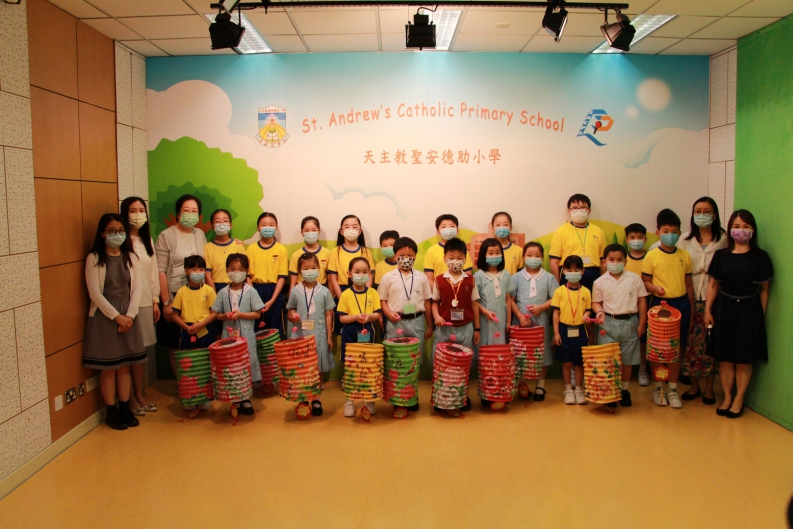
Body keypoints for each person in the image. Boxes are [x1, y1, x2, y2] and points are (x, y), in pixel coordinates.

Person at [705, 210, 772, 419]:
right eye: (736, 226)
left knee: (744, 357)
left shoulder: (760, 257)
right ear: (730, 229)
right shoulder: (721, 255)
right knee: (725, 356)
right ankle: (727, 397)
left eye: (745, 227)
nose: (740, 230)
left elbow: (764, 289)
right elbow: (713, 285)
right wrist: (707, 310)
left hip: (749, 309)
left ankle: (739, 399)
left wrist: (760, 314)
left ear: (752, 230)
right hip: (724, 307)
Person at [82, 213, 146, 430]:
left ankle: (125, 406)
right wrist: (116, 317)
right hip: (105, 317)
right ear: (102, 233)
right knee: (109, 368)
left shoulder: (131, 257)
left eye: (120, 231)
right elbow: (94, 293)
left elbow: (136, 289)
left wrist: (129, 316)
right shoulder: (94, 258)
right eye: (111, 231)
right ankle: (111, 411)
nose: (117, 235)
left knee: (125, 366)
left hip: (129, 316)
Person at [676, 197, 727, 404]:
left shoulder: (724, 239)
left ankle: (709, 388)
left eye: (707, 211)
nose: (702, 215)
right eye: (698, 211)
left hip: (715, 297)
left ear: (714, 215)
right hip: (690, 295)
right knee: (691, 343)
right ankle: (694, 385)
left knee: (710, 343)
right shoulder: (685, 239)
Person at [642, 209, 694, 409]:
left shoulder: (685, 256)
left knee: (675, 349)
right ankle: (658, 388)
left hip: (682, 305)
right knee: (658, 350)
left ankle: (672, 389)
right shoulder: (651, 256)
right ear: (658, 233)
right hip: (659, 306)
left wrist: (690, 310)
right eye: (666, 231)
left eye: (674, 231)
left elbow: (689, 285)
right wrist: (655, 288)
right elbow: (645, 282)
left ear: (679, 233)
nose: (670, 235)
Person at [378, 236, 433, 412]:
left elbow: (427, 302)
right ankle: (398, 397)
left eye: (410, 255)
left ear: (415, 256)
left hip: (417, 321)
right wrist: (389, 314)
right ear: (395, 256)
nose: (406, 259)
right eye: (402, 255)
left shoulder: (422, 277)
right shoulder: (387, 278)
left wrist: (430, 325)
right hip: (395, 322)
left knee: (414, 361)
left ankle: (412, 396)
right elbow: (382, 301)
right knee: (397, 361)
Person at [155, 194, 207, 374]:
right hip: (175, 295)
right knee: (176, 342)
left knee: (198, 338)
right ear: (178, 213)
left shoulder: (199, 234)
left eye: (194, 211)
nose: (190, 214)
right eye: (186, 210)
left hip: (198, 294)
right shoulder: (166, 235)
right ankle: (183, 382)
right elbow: (160, 270)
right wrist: (166, 302)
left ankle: (198, 382)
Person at [592, 244, 648, 408]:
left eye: (619, 260)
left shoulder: (634, 279)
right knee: (607, 361)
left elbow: (642, 301)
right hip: (608, 323)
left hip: (630, 323)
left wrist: (642, 323)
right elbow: (596, 302)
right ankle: (610, 392)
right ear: (604, 261)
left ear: (625, 261)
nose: (615, 262)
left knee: (627, 361)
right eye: (611, 259)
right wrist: (599, 311)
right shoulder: (599, 282)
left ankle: (624, 390)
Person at [210, 253, 265, 415]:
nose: (236, 272)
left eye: (240, 269)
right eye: (232, 269)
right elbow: (217, 315)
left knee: (245, 364)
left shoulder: (251, 291)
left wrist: (240, 315)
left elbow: (257, 314)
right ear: (226, 270)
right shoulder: (223, 292)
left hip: (246, 335)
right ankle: (235, 398)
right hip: (228, 336)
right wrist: (225, 316)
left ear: (246, 271)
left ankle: (246, 398)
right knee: (231, 365)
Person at [431, 237, 481, 412]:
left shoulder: (470, 280)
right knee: (443, 364)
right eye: (451, 258)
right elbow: (434, 303)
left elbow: (475, 305)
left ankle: (462, 396)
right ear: (444, 258)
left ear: (465, 259)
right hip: (444, 328)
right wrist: (436, 316)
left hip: (466, 328)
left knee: (463, 365)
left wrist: (477, 328)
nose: (455, 261)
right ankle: (441, 398)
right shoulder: (438, 280)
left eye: (460, 258)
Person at [120, 197, 160, 417]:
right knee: (129, 352)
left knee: (142, 352)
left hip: (145, 301)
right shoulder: (121, 240)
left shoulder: (147, 240)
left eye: (141, 210)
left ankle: (139, 393)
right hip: (126, 305)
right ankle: (129, 398)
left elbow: (152, 272)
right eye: (132, 210)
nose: (138, 214)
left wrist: (155, 300)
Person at [286, 253, 336, 416]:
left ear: (319, 269)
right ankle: (303, 398)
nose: (310, 271)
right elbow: (290, 309)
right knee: (301, 368)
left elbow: (328, 314)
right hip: (300, 337)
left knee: (317, 368)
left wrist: (329, 337)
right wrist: (293, 315)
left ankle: (316, 399)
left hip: (319, 336)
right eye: (306, 268)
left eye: (313, 268)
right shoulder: (295, 291)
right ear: (300, 271)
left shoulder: (324, 291)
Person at [509, 242, 558, 401]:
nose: (533, 258)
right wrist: (520, 316)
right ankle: (522, 384)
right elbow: (511, 300)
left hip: (541, 322)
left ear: (542, 258)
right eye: (529, 255)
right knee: (521, 353)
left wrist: (541, 308)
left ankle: (540, 386)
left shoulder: (549, 278)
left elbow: (556, 298)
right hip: (520, 323)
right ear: (524, 257)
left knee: (542, 353)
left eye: (537, 256)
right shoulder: (516, 277)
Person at [337, 257, 382, 418]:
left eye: (364, 272)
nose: (361, 275)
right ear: (350, 274)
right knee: (351, 368)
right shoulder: (346, 294)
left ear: (369, 274)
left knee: (368, 366)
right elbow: (342, 318)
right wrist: (355, 317)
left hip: (368, 331)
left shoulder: (373, 292)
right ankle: (349, 402)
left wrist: (369, 317)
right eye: (357, 272)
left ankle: (369, 401)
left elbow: (378, 314)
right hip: (350, 332)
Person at [474, 238, 515, 407]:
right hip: (485, 324)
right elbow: (474, 302)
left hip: (501, 322)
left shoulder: (506, 275)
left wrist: (509, 321)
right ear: (483, 255)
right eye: (490, 253)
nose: (494, 255)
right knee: (486, 359)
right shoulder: (478, 276)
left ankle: (500, 391)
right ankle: (486, 393)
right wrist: (485, 312)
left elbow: (508, 299)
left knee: (501, 358)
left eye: (497, 252)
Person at [552, 256, 592, 405]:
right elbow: (556, 313)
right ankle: (568, 390)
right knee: (567, 363)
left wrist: (587, 315)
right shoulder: (559, 291)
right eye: (569, 269)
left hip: (581, 330)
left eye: (577, 269)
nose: (573, 272)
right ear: (563, 271)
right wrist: (556, 333)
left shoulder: (586, 292)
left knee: (579, 363)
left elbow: (588, 309)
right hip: (564, 330)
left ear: (583, 271)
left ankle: (579, 390)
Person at [327, 215, 375, 334]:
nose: (351, 229)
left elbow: (370, 275)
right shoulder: (335, 251)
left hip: (362, 292)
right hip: (342, 292)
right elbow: (333, 279)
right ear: (341, 231)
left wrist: (365, 294)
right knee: (343, 330)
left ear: (360, 231)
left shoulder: (366, 251)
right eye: (347, 227)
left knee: (363, 328)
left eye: (354, 227)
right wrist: (342, 298)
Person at [549, 194, 606, 291]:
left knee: (592, 300)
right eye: (575, 208)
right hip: (569, 275)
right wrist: (556, 286)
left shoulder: (598, 231)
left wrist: (604, 282)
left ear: (589, 210)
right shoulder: (561, 231)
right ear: (569, 211)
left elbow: (603, 261)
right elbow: (554, 261)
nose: (579, 210)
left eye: (583, 207)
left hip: (593, 274)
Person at [246, 212, 288, 338]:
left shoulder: (281, 249)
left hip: (275, 291)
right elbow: (247, 276)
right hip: (254, 290)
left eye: (271, 224)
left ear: (276, 227)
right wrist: (254, 297)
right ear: (258, 228)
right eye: (264, 225)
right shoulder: (251, 249)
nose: (267, 227)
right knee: (256, 330)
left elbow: (282, 277)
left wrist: (272, 300)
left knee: (275, 329)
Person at [624, 223, 650, 386]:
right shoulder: (623, 259)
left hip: (646, 301)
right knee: (630, 337)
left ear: (645, 239)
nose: (636, 241)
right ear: (627, 240)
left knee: (643, 338)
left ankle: (642, 370)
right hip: (627, 304)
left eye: (640, 237)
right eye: (632, 237)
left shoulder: (651, 257)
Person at [424, 214, 473, 289]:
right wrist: (438, 293)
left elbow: (468, 277)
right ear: (438, 232)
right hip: (439, 292)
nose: (448, 229)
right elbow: (429, 280)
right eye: (444, 227)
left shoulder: (463, 250)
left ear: (457, 231)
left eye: (452, 226)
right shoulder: (431, 251)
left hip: (460, 291)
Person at [203, 209, 245, 293]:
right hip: (215, 287)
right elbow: (207, 276)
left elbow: (244, 271)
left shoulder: (239, 246)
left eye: (225, 221)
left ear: (230, 225)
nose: (221, 224)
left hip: (236, 286)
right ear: (212, 226)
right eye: (217, 221)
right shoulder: (207, 248)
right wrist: (214, 295)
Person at [289, 216, 331, 290]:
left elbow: (330, 281)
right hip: (302, 290)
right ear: (302, 233)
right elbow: (293, 283)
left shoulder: (327, 253)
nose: (310, 233)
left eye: (314, 230)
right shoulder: (296, 255)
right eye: (306, 231)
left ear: (319, 231)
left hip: (321, 290)